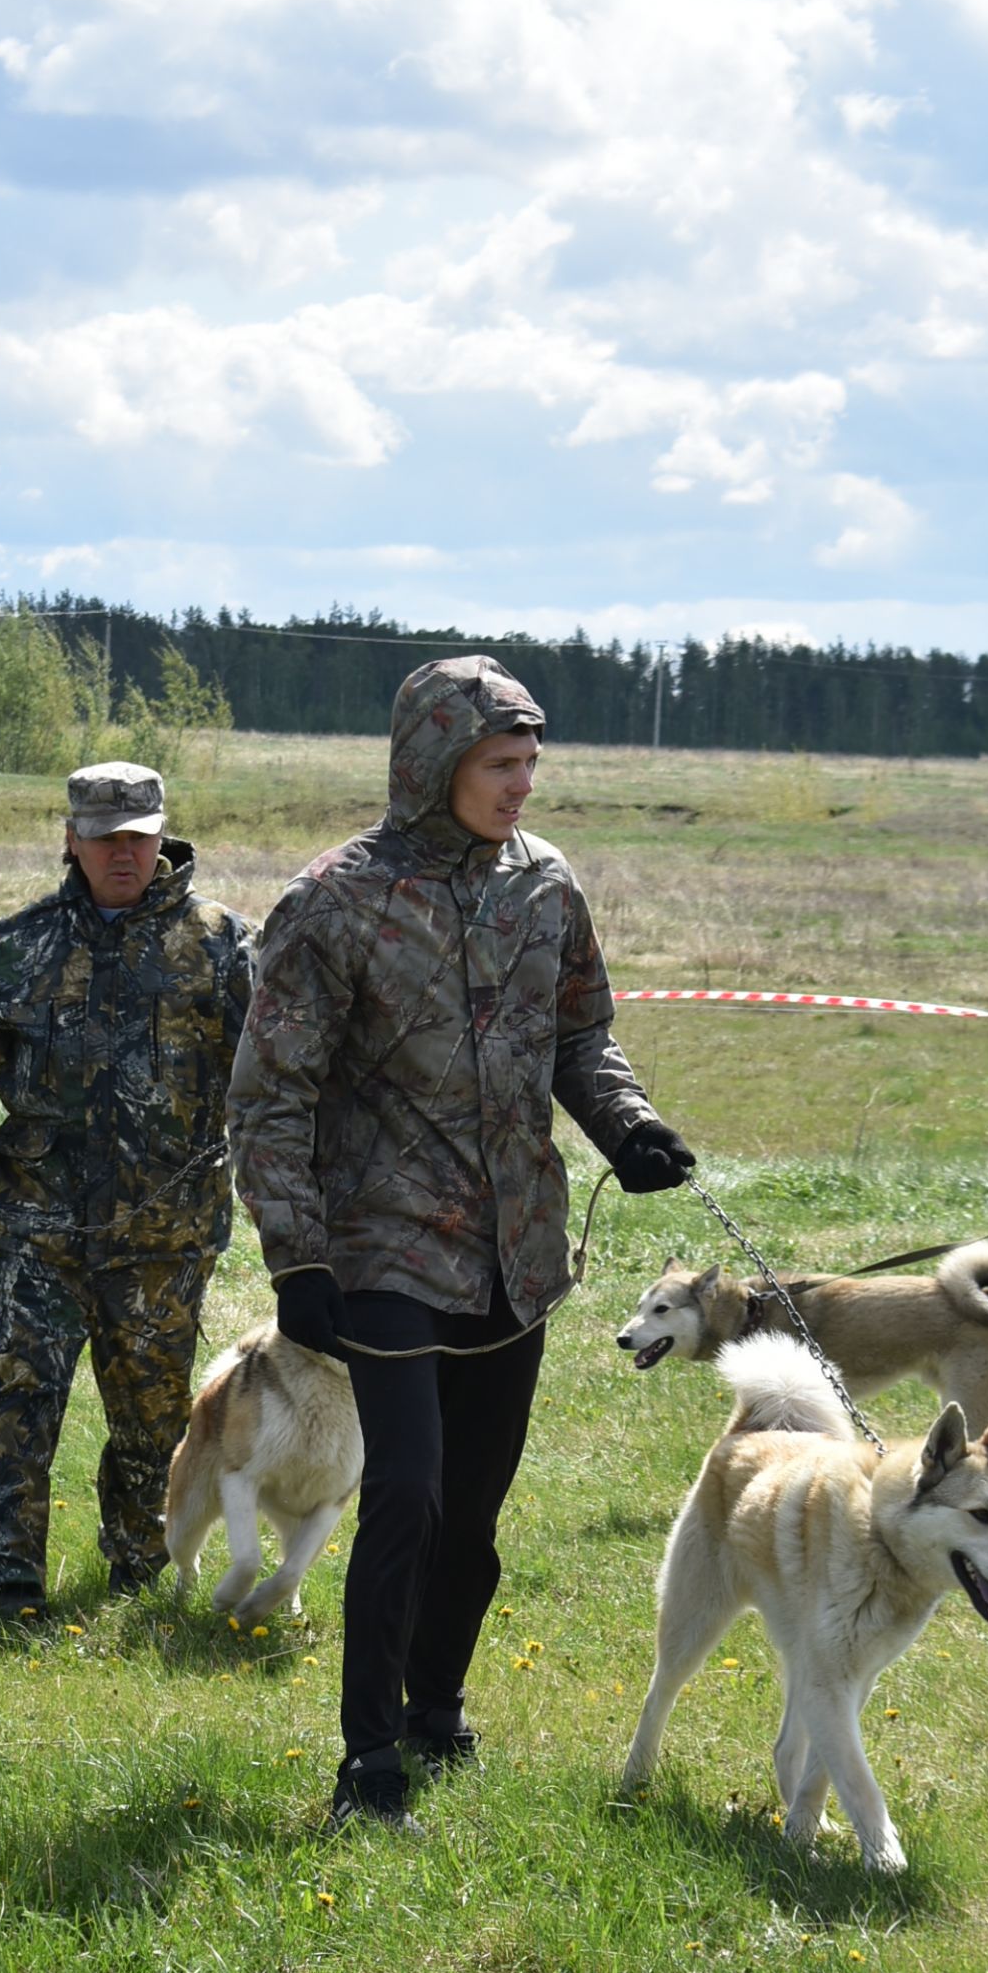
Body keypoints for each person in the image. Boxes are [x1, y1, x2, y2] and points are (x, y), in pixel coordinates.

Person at [228, 653, 695, 1829]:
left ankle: (436, 1707)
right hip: (380, 1248)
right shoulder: (333, 900)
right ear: (435, 764)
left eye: (532, 763)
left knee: (476, 1509)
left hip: (514, 1250)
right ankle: (367, 1758)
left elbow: (583, 1039)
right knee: (410, 1493)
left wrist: (627, 1127)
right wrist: (297, 1256)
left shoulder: (547, 888)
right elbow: (268, 1099)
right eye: (500, 763)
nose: (521, 785)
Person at [0, 760, 253, 1613]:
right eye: (103, 838)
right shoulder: (17, 947)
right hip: (39, 1230)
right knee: (21, 1402)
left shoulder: (224, 947)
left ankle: (143, 1572)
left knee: (154, 1423)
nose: (121, 853)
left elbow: (283, 1072)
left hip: (167, 1238)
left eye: (137, 835)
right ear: (72, 840)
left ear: (162, 835)